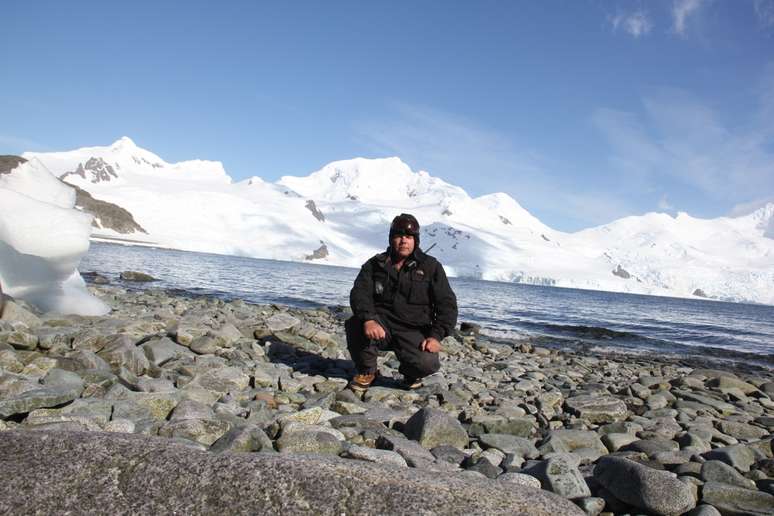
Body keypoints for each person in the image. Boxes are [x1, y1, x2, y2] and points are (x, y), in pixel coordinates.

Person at [346, 213, 458, 391]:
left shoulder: (431, 267)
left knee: (427, 363)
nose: (403, 241)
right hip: (380, 325)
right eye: (399, 236)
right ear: (391, 239)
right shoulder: (375, 264)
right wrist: (368, 319)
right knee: (355, 323)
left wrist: (436, 336)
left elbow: (447, 305)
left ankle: (410, 374)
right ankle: (367, 371)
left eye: (409, 236)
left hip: (413, 330)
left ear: (416, 240)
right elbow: (359, 293)